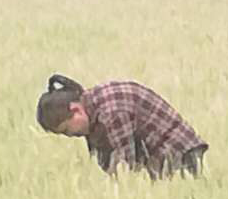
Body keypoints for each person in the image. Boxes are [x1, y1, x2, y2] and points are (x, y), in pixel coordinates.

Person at [35, 73, 208, 178]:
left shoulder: (111, 113)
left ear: (76, 110)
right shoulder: (92, 106)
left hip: (180, 154)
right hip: (162, 160)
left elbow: (125, 169)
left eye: (67, 129)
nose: (71, 135)